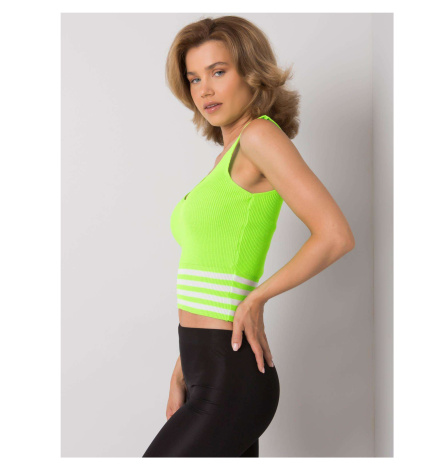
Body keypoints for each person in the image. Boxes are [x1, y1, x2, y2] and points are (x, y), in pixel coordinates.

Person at [142, 15, 355, 458]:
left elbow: (335, 235)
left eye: (218, 72)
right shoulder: (227, 155)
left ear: (251, 73)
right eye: (194, 78)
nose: (205, 90)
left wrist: (257, 298)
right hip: (203, 365)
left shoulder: (259, 136)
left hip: (230, 376)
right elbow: (215, 268)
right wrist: (183, 367)